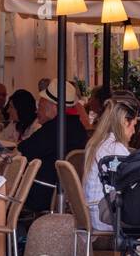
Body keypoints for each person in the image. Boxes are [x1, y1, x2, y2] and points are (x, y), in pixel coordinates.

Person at [17, 80, 88, 213]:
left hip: (42, 193)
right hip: (66, 194)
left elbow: (21, 152)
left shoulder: (53, 129)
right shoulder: (78, 128)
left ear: (54, 107)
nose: (37, 110)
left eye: (41, 105)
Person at [83, 93, 140, 231]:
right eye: (134, 125)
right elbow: (134, 184)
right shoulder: (115, 148)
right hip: (105, 219)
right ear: (125, 122)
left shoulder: (99, 142)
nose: (134, 131)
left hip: (92, 214)